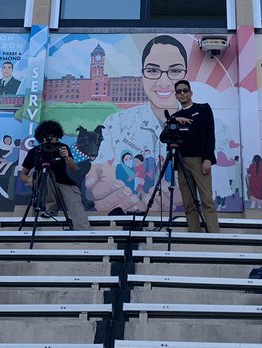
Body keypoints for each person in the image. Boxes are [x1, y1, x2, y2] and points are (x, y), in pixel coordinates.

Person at [86, 35, 191, 213]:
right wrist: (96, 186)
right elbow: (100, 171)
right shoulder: (115, 124)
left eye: (174, 71)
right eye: (152, 71)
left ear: (185, 76)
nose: (164, 82)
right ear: (142, 74)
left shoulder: (206, 124)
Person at [164, 78, 220, 233]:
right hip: (181, 162)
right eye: (179, 91)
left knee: (206, 200)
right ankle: (194, 234)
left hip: (200, 160)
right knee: (189, 203)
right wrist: (174, 119)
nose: (182, 94)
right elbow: (164, 136)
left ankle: (214, 236)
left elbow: (210, 135)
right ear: (175, 95)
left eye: (185, 90)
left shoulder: (203, 109)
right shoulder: (175, 116)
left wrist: (208, 158)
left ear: (191, 93)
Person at [20, 119, 90, 230]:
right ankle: (50, 208)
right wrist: (29, 181)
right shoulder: (35, 151)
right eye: (46, 136)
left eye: (52, 136)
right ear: (41, 137)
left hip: (65, 183)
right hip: (44, 184)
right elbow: (23, 174)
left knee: (75, 204)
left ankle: (84, 232)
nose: (49, 139)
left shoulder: (63, 147)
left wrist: (67, 157)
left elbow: (74, 169)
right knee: (45, 172)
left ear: (57, 136)